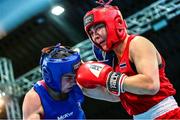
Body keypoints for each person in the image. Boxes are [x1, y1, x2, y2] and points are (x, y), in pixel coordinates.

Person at [76, 0, 180, 119]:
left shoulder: (137, 43)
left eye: (99, 28)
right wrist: (82, 87)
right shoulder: (113, 60)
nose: (95, 35)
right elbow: (115, 95)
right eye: (91, 32)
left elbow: (150, 85)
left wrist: (108, 78)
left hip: (167, 115)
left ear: (116, 23)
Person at [22, 43, 85, 120]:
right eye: (69, 77)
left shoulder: (78, 82)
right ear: (49, 76)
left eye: (75, 76)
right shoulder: (35, 98)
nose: (74, 82)